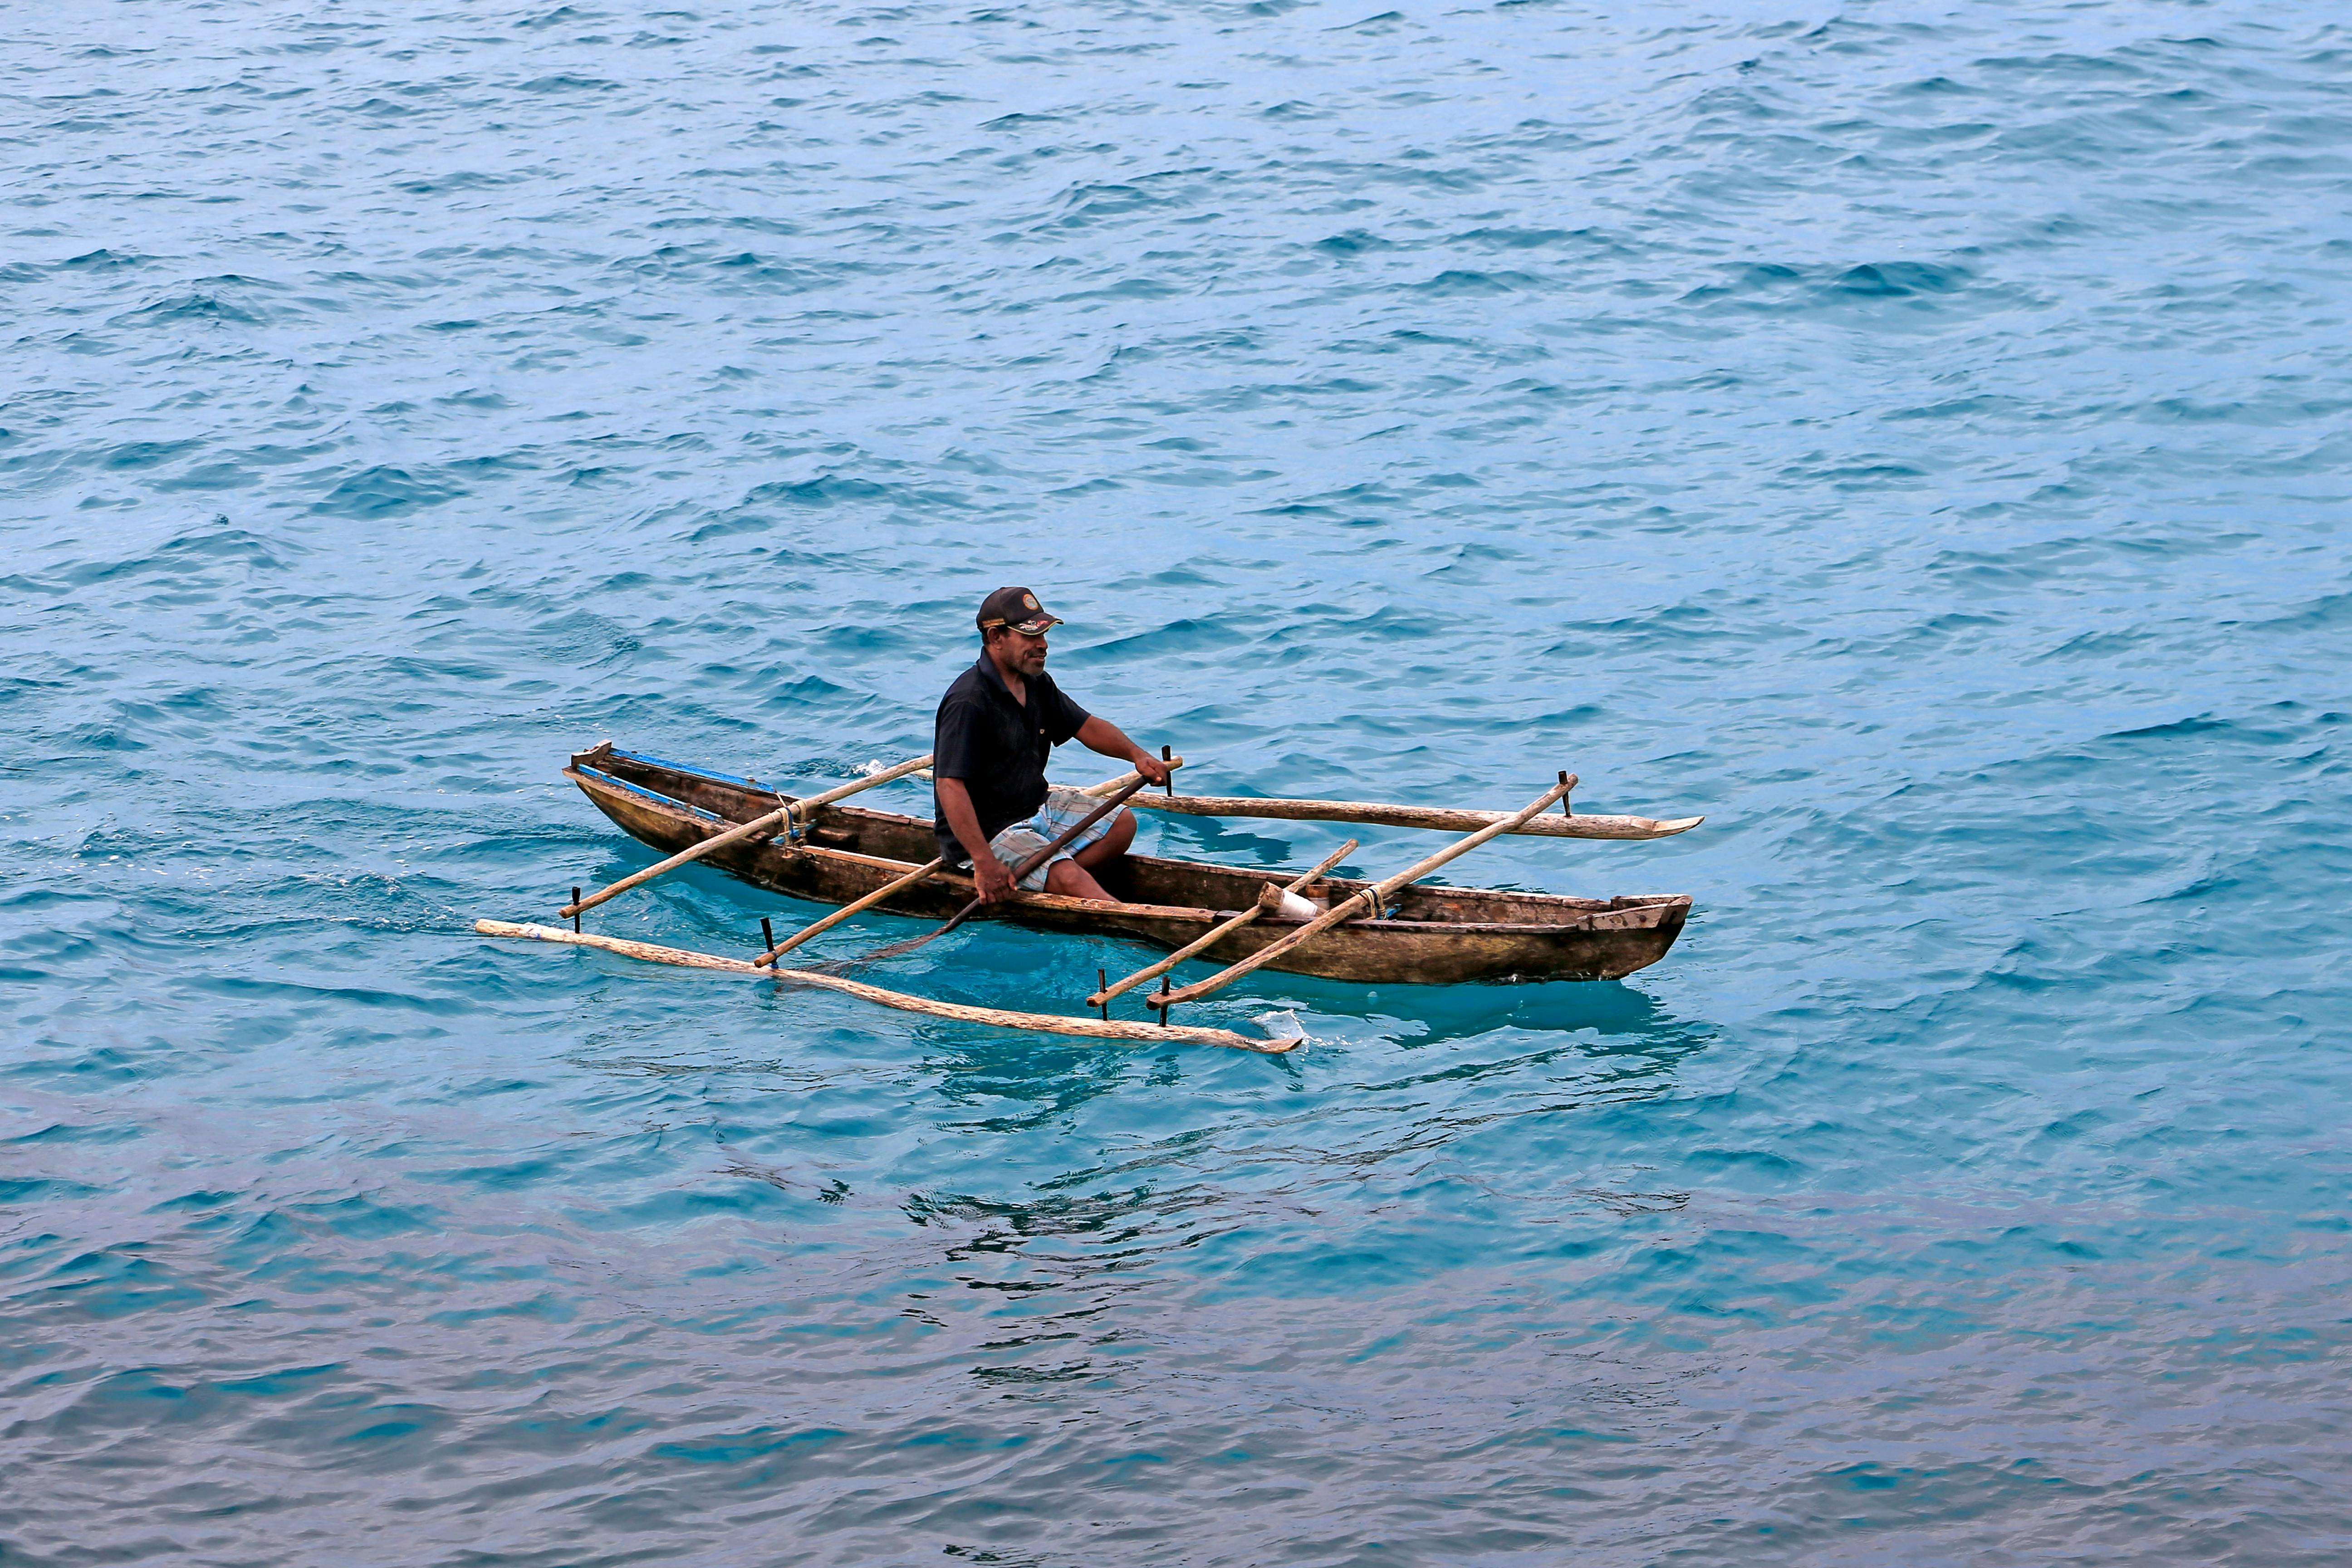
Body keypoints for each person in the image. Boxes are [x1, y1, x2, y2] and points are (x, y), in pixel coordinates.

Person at [932, 587, 1170, 904]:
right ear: (996, 638)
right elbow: (949, 785)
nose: (1042, 645)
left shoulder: (1035, 682)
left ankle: (1050, 881)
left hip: (1035, 807)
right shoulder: (968, 701)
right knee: (1073, 880)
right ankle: (1069, 884)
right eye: (1029, 636)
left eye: (1044, 634)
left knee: (1122, 824)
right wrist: (984, 864)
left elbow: (1086, 726)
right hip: (988, 834)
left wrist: (1137, 756)